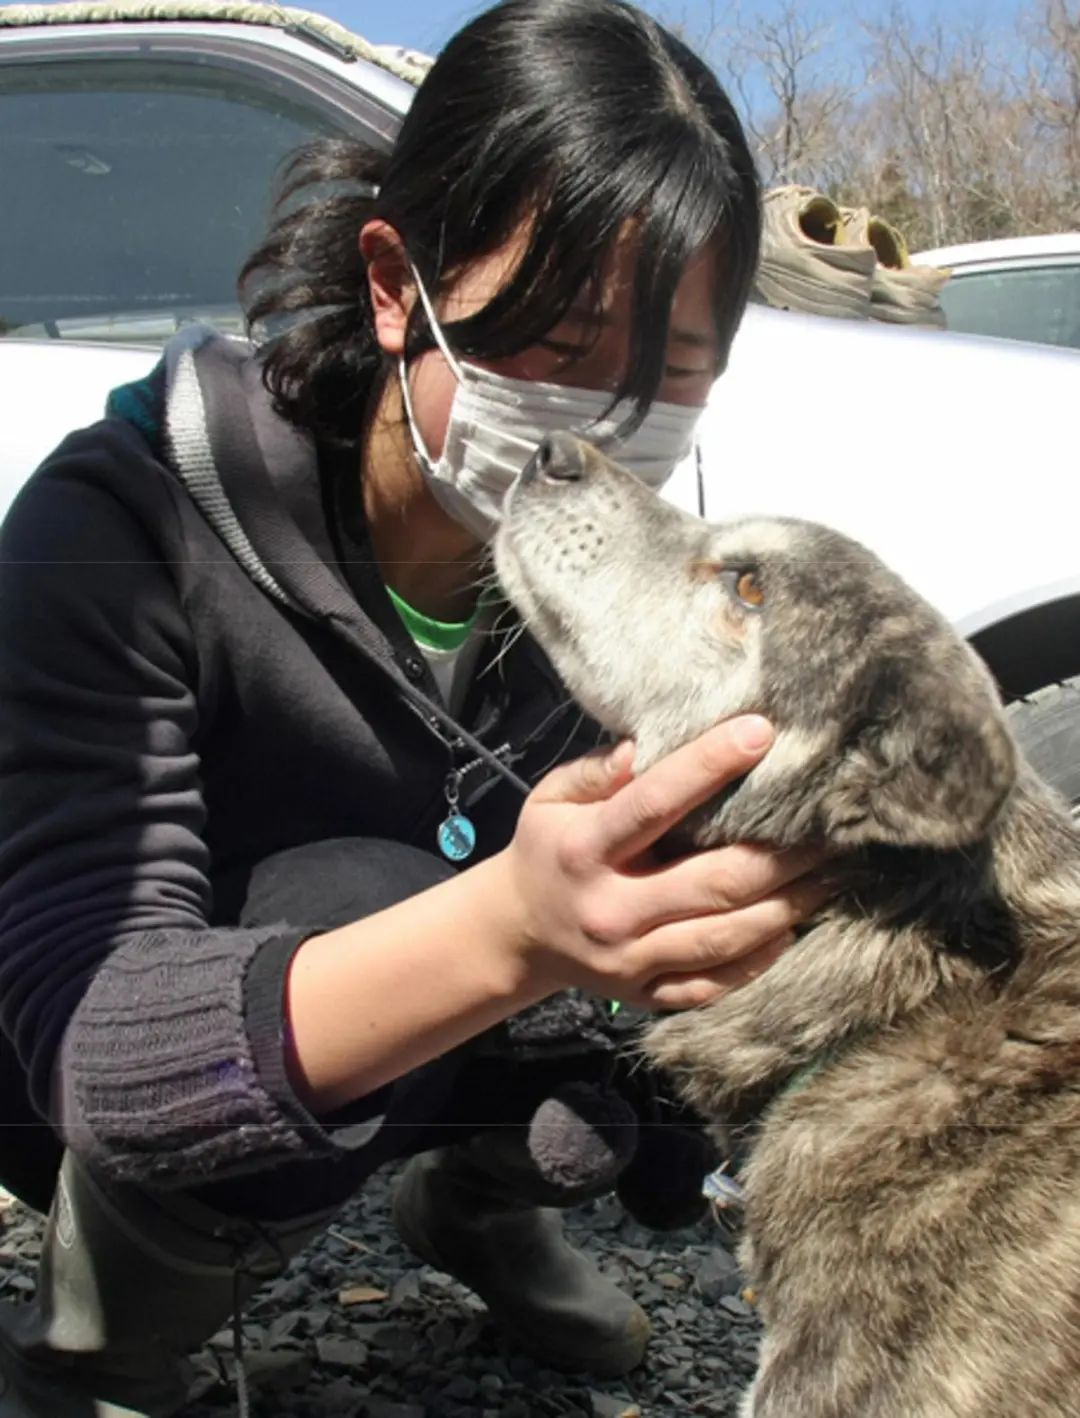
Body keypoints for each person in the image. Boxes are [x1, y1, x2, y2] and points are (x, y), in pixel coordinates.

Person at [0, 2, 830, 1413]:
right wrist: (516, 927)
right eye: (560, 348)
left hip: (427, 999)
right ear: (396, 284)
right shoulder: (120, 525)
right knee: (356, 898)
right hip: (124, 1069)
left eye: (674, 373)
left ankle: (475, 1215)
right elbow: (92, 1041)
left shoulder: (602, 576)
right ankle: (102, 1333)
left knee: (607, 1093)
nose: (608, 425)